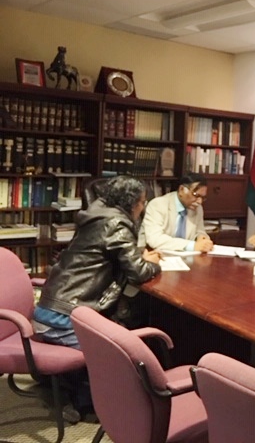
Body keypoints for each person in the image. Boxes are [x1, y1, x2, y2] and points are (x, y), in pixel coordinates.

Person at [32, 175, 162, 419]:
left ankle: (67, 387)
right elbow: (137, 272)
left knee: (120, 328)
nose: (143, 207)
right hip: (63, 318)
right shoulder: (116, 224)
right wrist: (152, 263)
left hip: (51, 308)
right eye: (143, 202)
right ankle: (86, 405)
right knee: (120, 351)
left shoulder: (96, 216)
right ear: (132, 203)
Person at [138, 173, 214, 252]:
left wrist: (202, 238)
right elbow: (155, 239)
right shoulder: (158, 205)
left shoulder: (197, 208)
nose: (199, 201)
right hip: (152, 254)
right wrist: (191, 245)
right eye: (196, 195)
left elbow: (200, 231)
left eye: (203, 197)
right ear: (181, 190)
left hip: (185, 255)